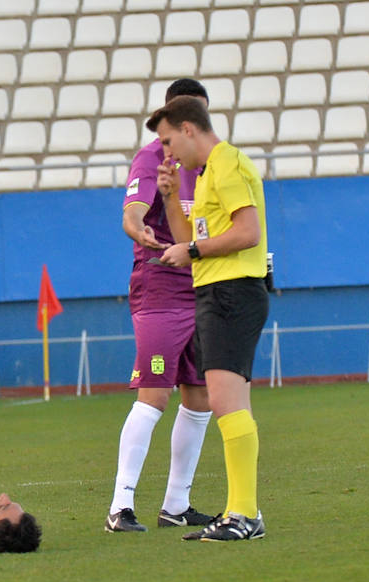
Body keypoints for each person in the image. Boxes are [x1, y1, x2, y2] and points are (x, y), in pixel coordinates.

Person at [147, 96, 269, 542]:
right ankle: (241, 512)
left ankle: (245, 514)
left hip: (233, 292)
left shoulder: (228, 163)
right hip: (216, 291)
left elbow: (247, 231)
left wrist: (194, 250)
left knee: (227, 402)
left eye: (168, 141)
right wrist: (169, 197)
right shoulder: (203, 176)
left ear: (188, 128)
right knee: (226, 403)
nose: (167, 152)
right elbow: (188, 244)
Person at [105, 79, 214, 534]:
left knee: (201, 395)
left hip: (205, 283)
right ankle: (120, 506)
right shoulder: (152, 157)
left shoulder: (212, 160)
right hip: (162, 286)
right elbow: (132, 211)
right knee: (155, 392)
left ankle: (176, 504)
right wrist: (138, 230)